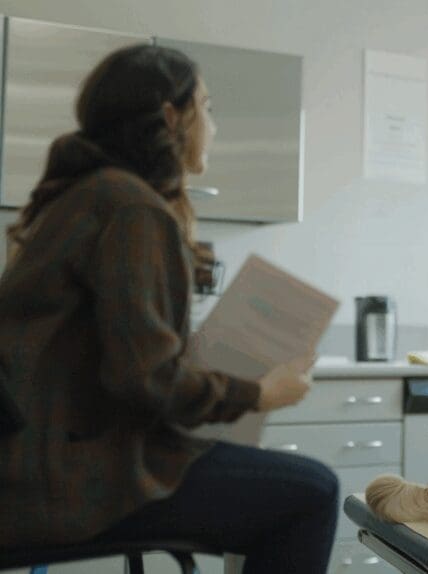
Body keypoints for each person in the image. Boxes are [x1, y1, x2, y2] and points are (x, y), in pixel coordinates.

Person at [0, 45, 338, 573]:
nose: (214, 124)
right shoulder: (131, 209)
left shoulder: (86, 197)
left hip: (33, 469)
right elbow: (148, 378)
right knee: (312, 493)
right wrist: (260, 392)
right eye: (207, 106)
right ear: (170, 116)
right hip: (71, 481)